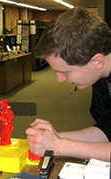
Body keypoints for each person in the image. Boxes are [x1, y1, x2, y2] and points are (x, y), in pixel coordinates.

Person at [26, 7, 111, 162]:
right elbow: (107, 129)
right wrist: (58, 137)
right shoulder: (100, 77)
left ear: (97, 61)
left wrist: (60, 146)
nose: (60, 79)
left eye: (66, 72)